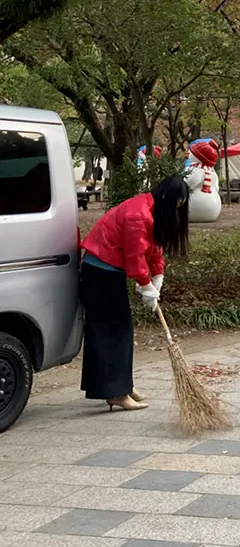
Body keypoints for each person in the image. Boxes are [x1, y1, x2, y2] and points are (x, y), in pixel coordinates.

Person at [80, 176, 190, 411]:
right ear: (167, 198)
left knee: (117, 330)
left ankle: (120, 386)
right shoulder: (137, 215)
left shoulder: (150, 207)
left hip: (109, 271)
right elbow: (134, 255)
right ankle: (116, 392)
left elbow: (154, 245)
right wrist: (145, 284)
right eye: (176, 204)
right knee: (113, 331)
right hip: (100, 272)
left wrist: (157, 275)